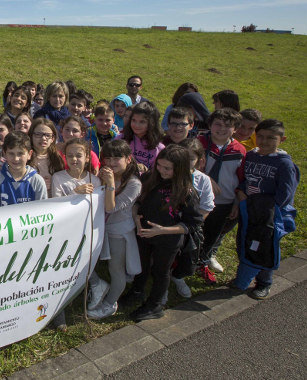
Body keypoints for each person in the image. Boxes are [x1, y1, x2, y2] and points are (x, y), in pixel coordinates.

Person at [125, 144, 204, 321]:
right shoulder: (149, 178)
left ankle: (155, 305)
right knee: (142, 266)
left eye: (167, 168)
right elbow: (138, 202)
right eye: (159, 165)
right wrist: (136, 217)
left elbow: (192, 223)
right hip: (144, 233)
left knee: (161, 271)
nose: (161, 170)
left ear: (180, 168)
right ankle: (137, 290)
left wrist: (163, 231)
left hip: (168, 240)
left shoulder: (186, 192)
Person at [231, 119, 299, 299]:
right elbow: (246, 179)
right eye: (260, 136)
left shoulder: (284, 164)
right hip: (250, 210)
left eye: (271, 138)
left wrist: (267, 208)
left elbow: (285, 194)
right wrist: (241, 192)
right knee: (246, 242)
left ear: (281, 139)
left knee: (265, 248)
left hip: (269, 215)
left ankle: (264, 283)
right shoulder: (252, 156)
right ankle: (245, 276)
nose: (264, 141)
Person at [86, 140, 142, 320]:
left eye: (117, 158)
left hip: (119, 232)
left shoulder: (133, 184)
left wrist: (109, 183)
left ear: (128, 159)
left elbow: (110, 207)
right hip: (101, 228)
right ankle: (98, 287)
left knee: (116, 269)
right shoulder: (103, 174)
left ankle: (110, 304)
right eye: (107, 158)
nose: (111, 163)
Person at [197, 108, 246, 281]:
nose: (222, 129)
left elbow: (241, 179)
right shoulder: (199, 143)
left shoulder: (239, 150)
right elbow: (190, 168)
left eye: (228, 125)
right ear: (210, 125)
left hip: (224, 201)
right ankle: (188, 260)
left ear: (235, 129)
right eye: (217, 124)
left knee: (213, 233)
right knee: (196, 231)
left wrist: (236, 203)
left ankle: (203, 260)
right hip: (199, 200)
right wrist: (207, 179)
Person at [166, 138, 215, 300]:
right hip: (167, 225)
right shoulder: (167, 175)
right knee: (165, 257)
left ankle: (178, 276)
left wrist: (190, 224)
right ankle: (163, 282)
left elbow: (206, 207)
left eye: (191, 159)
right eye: (183, 158)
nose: (186, 163)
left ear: (200, 161)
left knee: (188, 258)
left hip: (190, 227)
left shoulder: (203, 180)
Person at [0, 131, 47, 208]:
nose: (16, 159)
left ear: (29, 154)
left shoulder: (37, 181)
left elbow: (42, 212)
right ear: (4, 154)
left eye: (20, 153)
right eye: (11, 153)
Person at [118, 102, 165, 171]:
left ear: (152, 123)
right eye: (134, 120)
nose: (137, 125)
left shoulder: (159, 148)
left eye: (142, 122)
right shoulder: (120, 139)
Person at [29, 118, 64, 196]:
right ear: (31, 136)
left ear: (53, 139)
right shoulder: (25, 158)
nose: (43, 138)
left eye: (48, 135)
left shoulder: (58, 158)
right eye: (38, 134)